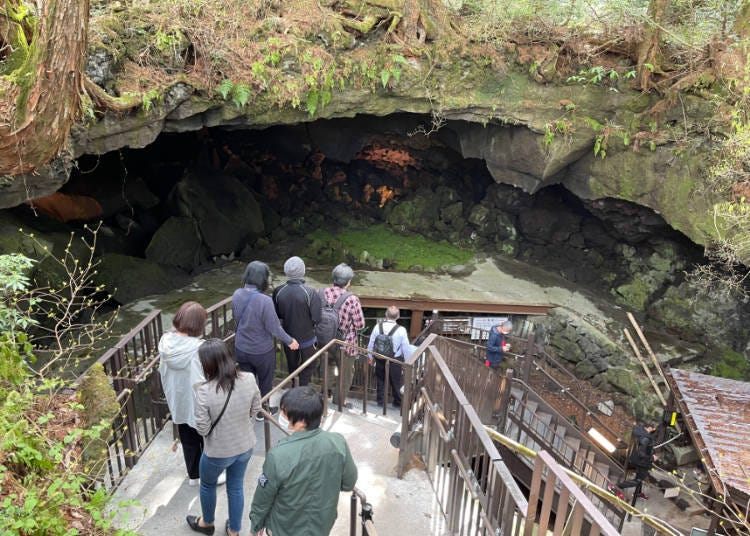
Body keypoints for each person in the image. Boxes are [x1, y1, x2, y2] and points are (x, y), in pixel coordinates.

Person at [248, 386, 358, 536]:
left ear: (301, 422)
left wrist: (256, 525)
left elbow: (263, 498)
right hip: (322, 524)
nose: (281, 415)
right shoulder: (338, 443)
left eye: (285, 413)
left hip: (285, 527)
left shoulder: (278, 455)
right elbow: (348, 483)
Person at [187, 339, 262, 536]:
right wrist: (244, 426)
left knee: (207, 484)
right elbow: (256, 408)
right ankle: (234, 530)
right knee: (236, 487)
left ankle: (207, 523)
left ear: (207, 364)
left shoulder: (204, 391)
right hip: (245, 445)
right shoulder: (249, 378)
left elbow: (202, 429)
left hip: (218, 451)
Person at [232, 261, 298, 420]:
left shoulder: (237, 294)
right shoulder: (264, 300)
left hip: (241, 347)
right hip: (261, 351)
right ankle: (263, 411)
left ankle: (249, 410)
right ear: (263, 279)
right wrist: (290, 341)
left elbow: (236, 318)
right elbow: (274, 328)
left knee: (247, 380)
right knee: (265, 381)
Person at [158, 301, 212, 487]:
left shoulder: (165, 342)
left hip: (177, 400)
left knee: (188, 439)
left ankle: (194, 475)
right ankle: (209, 476)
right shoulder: (198, 348)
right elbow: (201, 380)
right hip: (197, 403)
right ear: (198, 325)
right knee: (207, 439)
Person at [272, 256, 321, 387]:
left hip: (288, 337)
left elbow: (277, 314)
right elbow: (317, 318)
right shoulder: (310, 292)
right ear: (303, 271)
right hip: (307, 338)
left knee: (292, 367)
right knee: (310, 365)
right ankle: (303, 388)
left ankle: (294, 386)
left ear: (286, 271)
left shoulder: (278, 291)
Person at [322, 263, 365, 408]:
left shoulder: (321, 293)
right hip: (345, 344)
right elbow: (360, 325)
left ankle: (324, 397)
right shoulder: (352, 299)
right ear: (348, 282)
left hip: (324, 341)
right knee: (346, 374)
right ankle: (339, 402)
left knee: (327, 367)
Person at [366, 306, 411, 407]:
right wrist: (407, 361)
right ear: (398, 316)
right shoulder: (401, 330)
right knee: (396, 381)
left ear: (386, 315)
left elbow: (371, 342)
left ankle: (380, 401)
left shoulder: (378, 327)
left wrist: (370, 356)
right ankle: (397, 402)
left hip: (379, 357)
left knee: (380, 380)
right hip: (395, 359)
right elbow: (405, 347)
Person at [615, 423, 658, 499]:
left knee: (641, 477)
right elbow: (641, 453)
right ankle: (617, 487)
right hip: (641, 462)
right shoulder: (646, 438)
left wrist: (651, 451)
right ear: (650, 428)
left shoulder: (639, 430)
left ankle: (638, 493)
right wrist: (652, 458)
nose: (654, 431)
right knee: (638, 480)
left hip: (635, 458)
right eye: (654, 429)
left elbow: (641, 448)